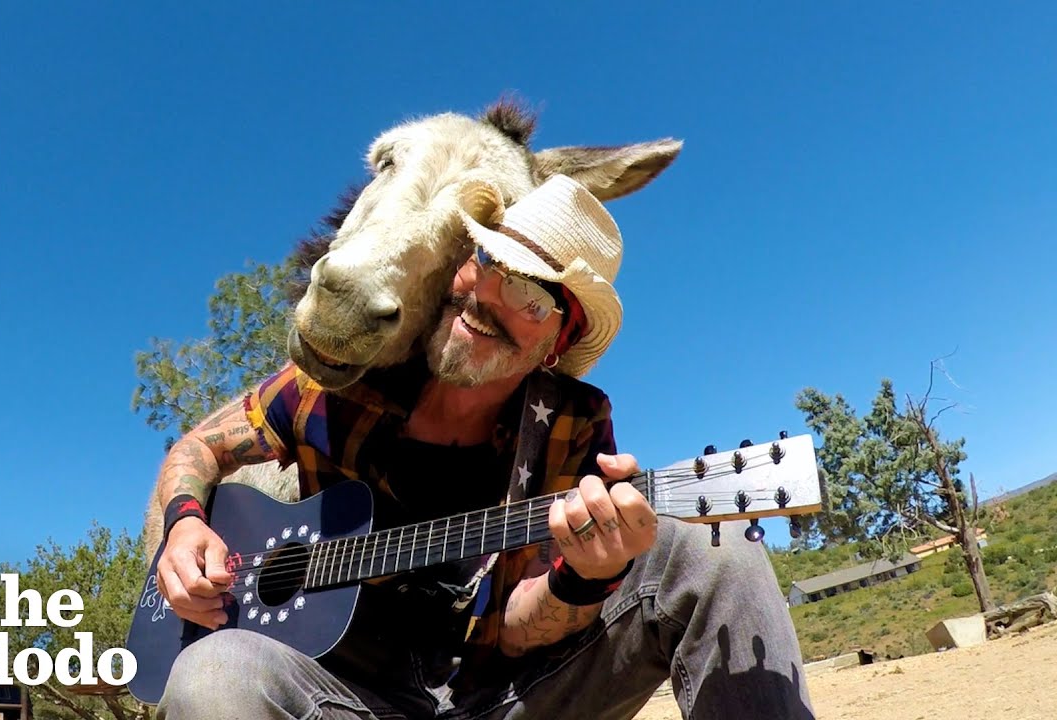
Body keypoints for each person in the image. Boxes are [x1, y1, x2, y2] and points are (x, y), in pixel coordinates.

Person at [151, 175, 816, 719]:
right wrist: (183, 529)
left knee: (707, 551)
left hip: (498, 700)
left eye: (528, 292)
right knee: (209, 676)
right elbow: (197, 449)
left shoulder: (573, 424)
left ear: (556, 342)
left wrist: (583, 576)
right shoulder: (339, 384)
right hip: (337, 700)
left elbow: (524, 626)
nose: (486, 295)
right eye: (488, 259)